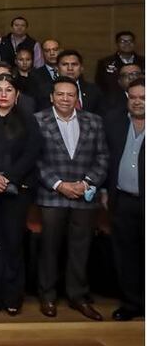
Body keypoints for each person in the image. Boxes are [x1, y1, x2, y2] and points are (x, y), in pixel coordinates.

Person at [34, 76, 109, 320]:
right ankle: (47, 296)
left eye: (70, 94)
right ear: (51, 97)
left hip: (84, 195)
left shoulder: (94, 121)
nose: (65, 98)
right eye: (60, 94)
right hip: (52, 195)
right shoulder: (38, 120)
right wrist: (59, 184)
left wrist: (86, 183)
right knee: (50, 248)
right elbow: (35, 159)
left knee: (81, 248)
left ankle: (78, 296)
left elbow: (103, 158)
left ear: (77, 98)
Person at [0, 73, 42, 316]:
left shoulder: (28, 120)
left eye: (8, 90)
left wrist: (7, 178)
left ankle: (13, 296)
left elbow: (31, 153)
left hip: (18, 190)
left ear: (17, 95)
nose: (3, 94)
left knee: (14, 243)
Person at [104, 78, 144, 321]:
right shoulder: (114, 122)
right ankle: (132, 303)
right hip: (123, 200)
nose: (138, 102)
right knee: (126, 255)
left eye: (143, 97)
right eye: (134, 97)